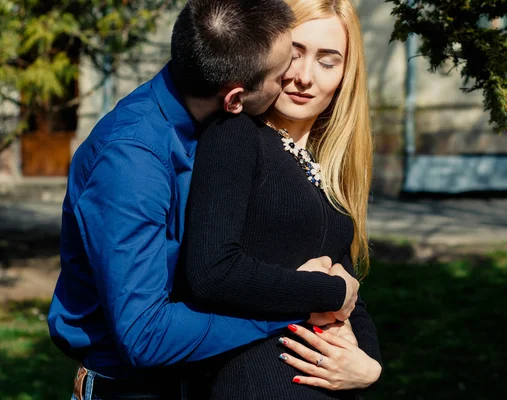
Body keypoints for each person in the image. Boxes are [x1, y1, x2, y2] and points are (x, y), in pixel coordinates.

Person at [47, 1, 360, 399]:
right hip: (130, 390)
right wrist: (300, 303)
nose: (295, 78)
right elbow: (145, 335)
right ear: (234, 99)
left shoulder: (208, 116)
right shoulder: (130, 164)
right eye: (283, 72)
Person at [180, 0, 382, 398]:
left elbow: (351, 293)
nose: (305, 77)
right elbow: (210, 271)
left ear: (346, 75)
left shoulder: (323, 165)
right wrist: (328, 294)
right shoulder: (237, 134)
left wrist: (369, 366)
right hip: (255, 382)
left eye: (328, 61)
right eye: (294, 55)